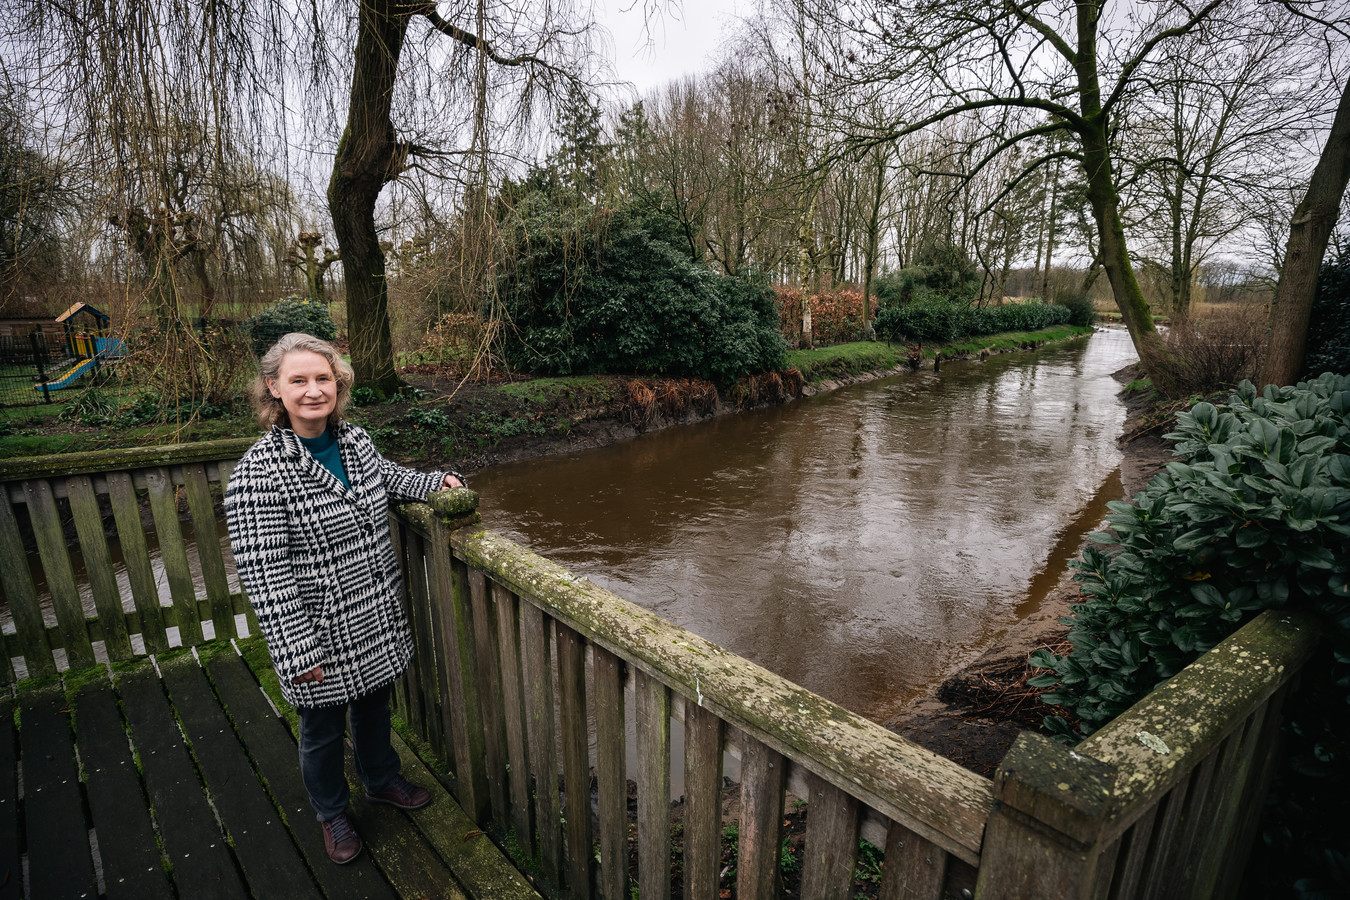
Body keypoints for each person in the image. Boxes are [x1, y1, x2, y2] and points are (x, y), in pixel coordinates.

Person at [224, 332, 465, 865]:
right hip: (319, 630)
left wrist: (433, 483)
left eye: (323, 379)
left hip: (375, 614)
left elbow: (386, 478)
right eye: (299, 380)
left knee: (376, 708)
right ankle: (332, 812)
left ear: (339, 384)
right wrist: (297, 651)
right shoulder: (257, 474)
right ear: (274, 389)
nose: (314, 391)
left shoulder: (355, 442)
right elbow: (266, 575)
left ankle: (380, 780)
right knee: (322, 731)